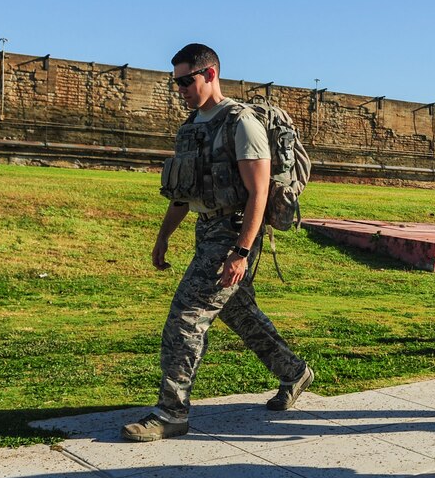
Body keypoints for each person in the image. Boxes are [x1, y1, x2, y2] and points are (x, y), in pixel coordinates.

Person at [122, 43, 314, 442]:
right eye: (175, 83)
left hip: (235, 231)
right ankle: (295, 372)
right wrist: (163, 236)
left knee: (186, 316)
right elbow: (181, 191)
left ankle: (172, 412)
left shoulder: (240, 123)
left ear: (209, 74)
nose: (180, 89)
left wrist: (242, 251)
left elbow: (259, 192)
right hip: (205, 229)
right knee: (240, 313)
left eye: (186, 81)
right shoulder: (191, 127)